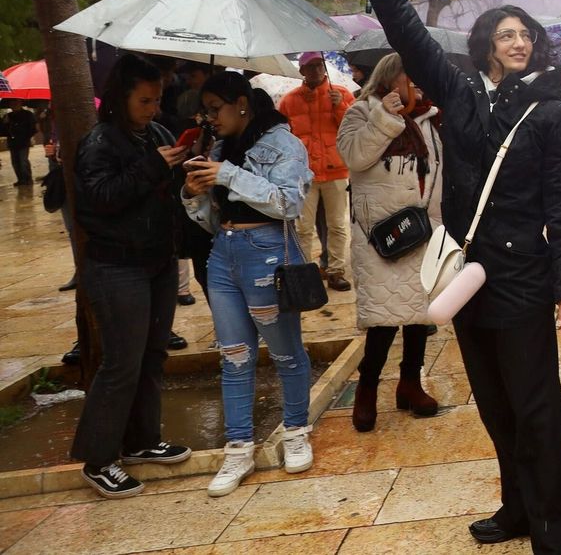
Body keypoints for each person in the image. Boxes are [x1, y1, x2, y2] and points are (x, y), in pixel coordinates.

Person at [355, 0, 561, 553]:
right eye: (506, 35)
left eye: (525, 36)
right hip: (464, 276)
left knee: (537, 409)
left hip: (523, 278)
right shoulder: (458, 94)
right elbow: (412, 40)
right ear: (485, 44)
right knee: (493, 405)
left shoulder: (549, 113)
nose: (518, 43)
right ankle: (517, 509)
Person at [181, 71, 316, 497]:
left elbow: (289, 203)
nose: (209, 117)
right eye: (206, 110)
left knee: (285, 352)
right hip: (224, 255)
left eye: (215, 108)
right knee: (233, 356)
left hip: (268, 254)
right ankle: (238, 448)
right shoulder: (220, 148)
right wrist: (193, 193)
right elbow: (208, 220)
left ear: (242, 103)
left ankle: (295, 430)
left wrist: (227, 176)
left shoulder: (284, 145)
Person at [69, 54, 193, 498]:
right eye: (145, 100)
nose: (153, 108)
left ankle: (142, 440)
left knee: (151, 356)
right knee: (121, 362)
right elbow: (100, 200)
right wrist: (153, 168)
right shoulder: (100, 142)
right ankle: (99, 458)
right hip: (116, 265)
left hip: (158, 261)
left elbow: (165, 192)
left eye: (157, 99)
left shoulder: (156, 134)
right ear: (122, 98)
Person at [337, 53, 445, 433]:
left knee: (419, 315)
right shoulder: (362, 112)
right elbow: (354, 157)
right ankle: (367, 388)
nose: (416, 85)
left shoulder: (429, 117)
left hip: (424, 230)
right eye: (409, 78)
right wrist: (385, 118)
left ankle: (410, 383)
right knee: (383, 320)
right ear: (390, 78)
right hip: (382, 234)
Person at [279, 52, 356, 292]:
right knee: (303, 228)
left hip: (335, 170)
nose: (315, 70)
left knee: (337, 225)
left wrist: (339, 106)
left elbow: (353, 129)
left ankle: (336, 271)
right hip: (304, 174)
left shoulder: (341, 94)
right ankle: (304, 274)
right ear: (301, 71)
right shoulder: (289, 100)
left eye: (319, 65)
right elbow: (282, 135)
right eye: (309, 66)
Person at [5, 101, 37, 186]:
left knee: (23, 161)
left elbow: (33, 128)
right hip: (12, 142)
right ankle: (20, 179)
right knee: (15, 162)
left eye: (15, 103)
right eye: (12, 104)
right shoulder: (8, 116)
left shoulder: (28, 114)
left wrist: (27, 136)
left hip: (23, 142)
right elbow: (3, 131)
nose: (13, 105)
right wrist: (5, 123)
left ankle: (27, 179)